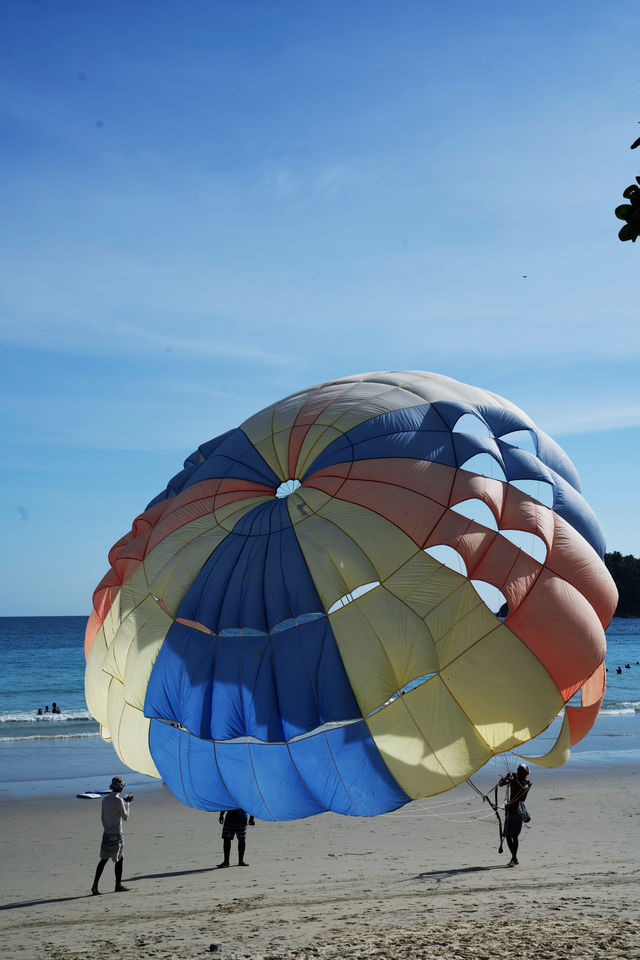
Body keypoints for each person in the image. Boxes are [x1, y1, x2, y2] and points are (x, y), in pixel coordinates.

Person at [91, 776, 134, 895]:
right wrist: (128, 804)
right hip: (117, 833)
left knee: (103, 860)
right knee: (119, 859)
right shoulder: (119, 801)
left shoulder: (105, 800)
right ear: (120, 788)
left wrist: (106, 828)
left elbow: (103, 818)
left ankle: (95, 885)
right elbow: (125, 817)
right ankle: (118, 885)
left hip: (106, 833)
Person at [498, 763, 531, 867]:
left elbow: (522, 790)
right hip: (510, 810)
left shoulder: (527, 783)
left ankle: (514, 858)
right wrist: (506, 778)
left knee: (514, 836)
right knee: (507, 835)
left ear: (526, 773)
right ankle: (514, 858)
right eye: (518, 770)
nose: (519, 772)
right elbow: (501, 784)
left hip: (518, 811)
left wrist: (514, 779)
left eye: (521, 771)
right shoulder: (513, 780)